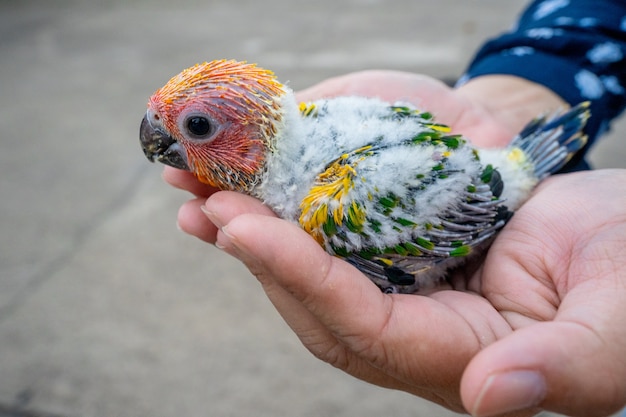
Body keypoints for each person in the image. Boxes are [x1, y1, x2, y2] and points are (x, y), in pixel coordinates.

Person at [164, 1, 626, 416]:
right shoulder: (315, 120)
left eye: (198, 126)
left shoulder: (335, 202)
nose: (161, 140)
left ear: (250, 137)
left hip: (488, 191)